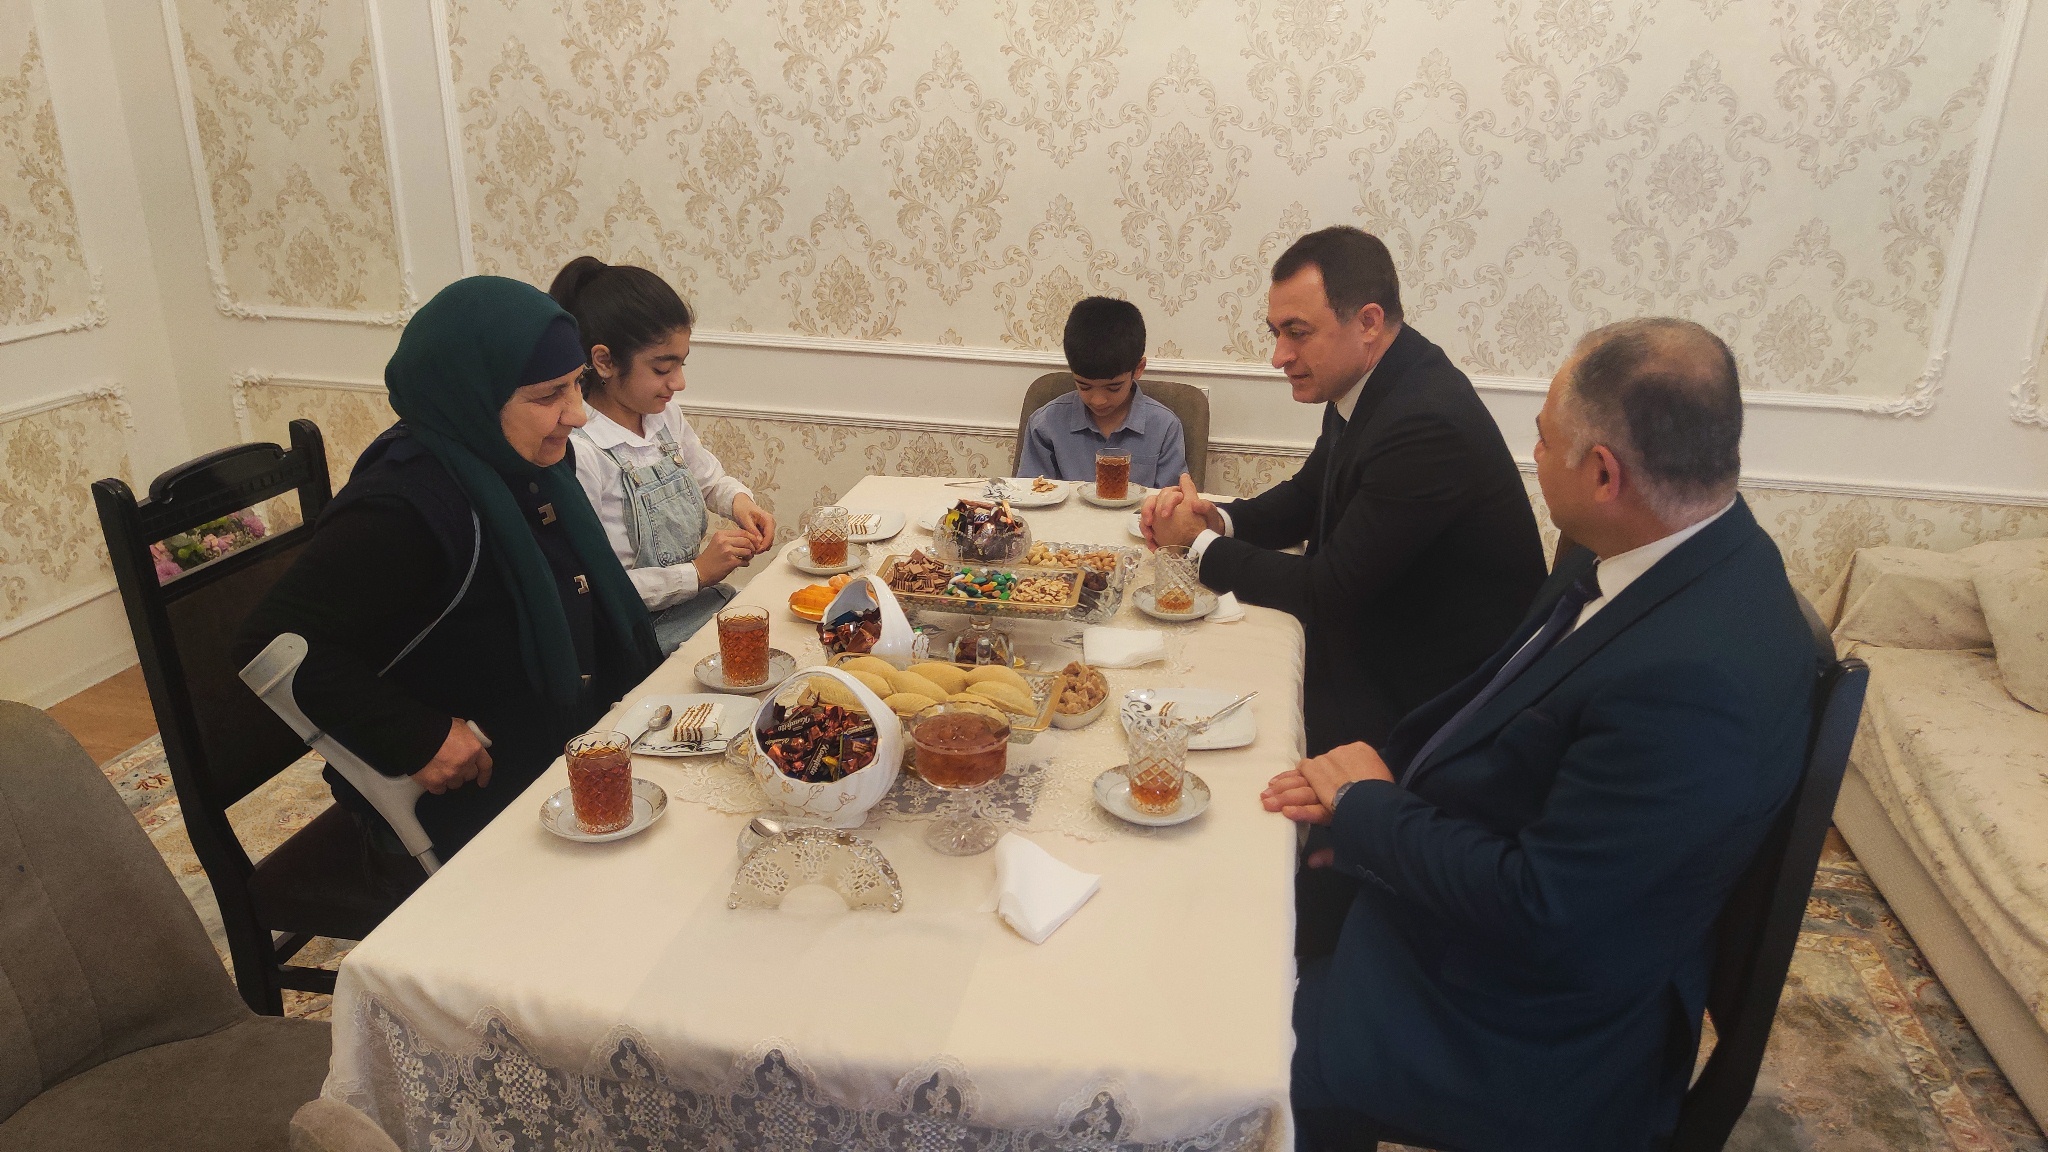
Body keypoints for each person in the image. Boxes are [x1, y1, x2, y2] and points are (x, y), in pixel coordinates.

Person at [1269, 319, 1817, 1151]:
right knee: (1258, 883)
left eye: (1543, 440)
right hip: (1498, 931)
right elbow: (1494, 709)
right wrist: (1377, 786)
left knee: (1243, 1035)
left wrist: (1371, 813)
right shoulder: (1657, 554)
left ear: (1602, 473)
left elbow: (1546, 911)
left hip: (1528, 1034)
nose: (1531, 456)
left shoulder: (1700, 679)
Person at [237, 276, 663, 869]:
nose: (577, 413)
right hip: (473, 801)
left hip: (565, 756)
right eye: (548, 395)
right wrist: (417, 736)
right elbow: (271, 644)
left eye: (576, 384)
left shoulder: (529, 463)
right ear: (472, 397)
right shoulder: (402, 506)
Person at [1142, 227, 1544, 758]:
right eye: (1276, 333)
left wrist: (1196, 545)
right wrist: (1215, 519)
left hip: (1435, 707)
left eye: (1298, 332)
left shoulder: (1425, 421)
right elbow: (1308, 497)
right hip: (1383, 648)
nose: (1279, 356)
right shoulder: (1377, 378)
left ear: (1368, 323)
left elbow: (1326, 592)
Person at [550, 257, 776, 654]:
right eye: (662, 369)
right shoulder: (582, 452)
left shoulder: (663, 416)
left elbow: (709, 480)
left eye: (681, 365)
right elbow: (600, 590)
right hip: (637, 641)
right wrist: (698, 573)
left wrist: (740, 503)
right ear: (604, 361)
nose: (679, 382)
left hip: (697, 608)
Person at [1016, 296, 1187, 488]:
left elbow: (1173, 499)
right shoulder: (1045, 424)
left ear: (1139, 369)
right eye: (1084, 386)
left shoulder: (1165, 426)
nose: (1098, 400)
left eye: (1113, 388)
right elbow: (1031, 494)